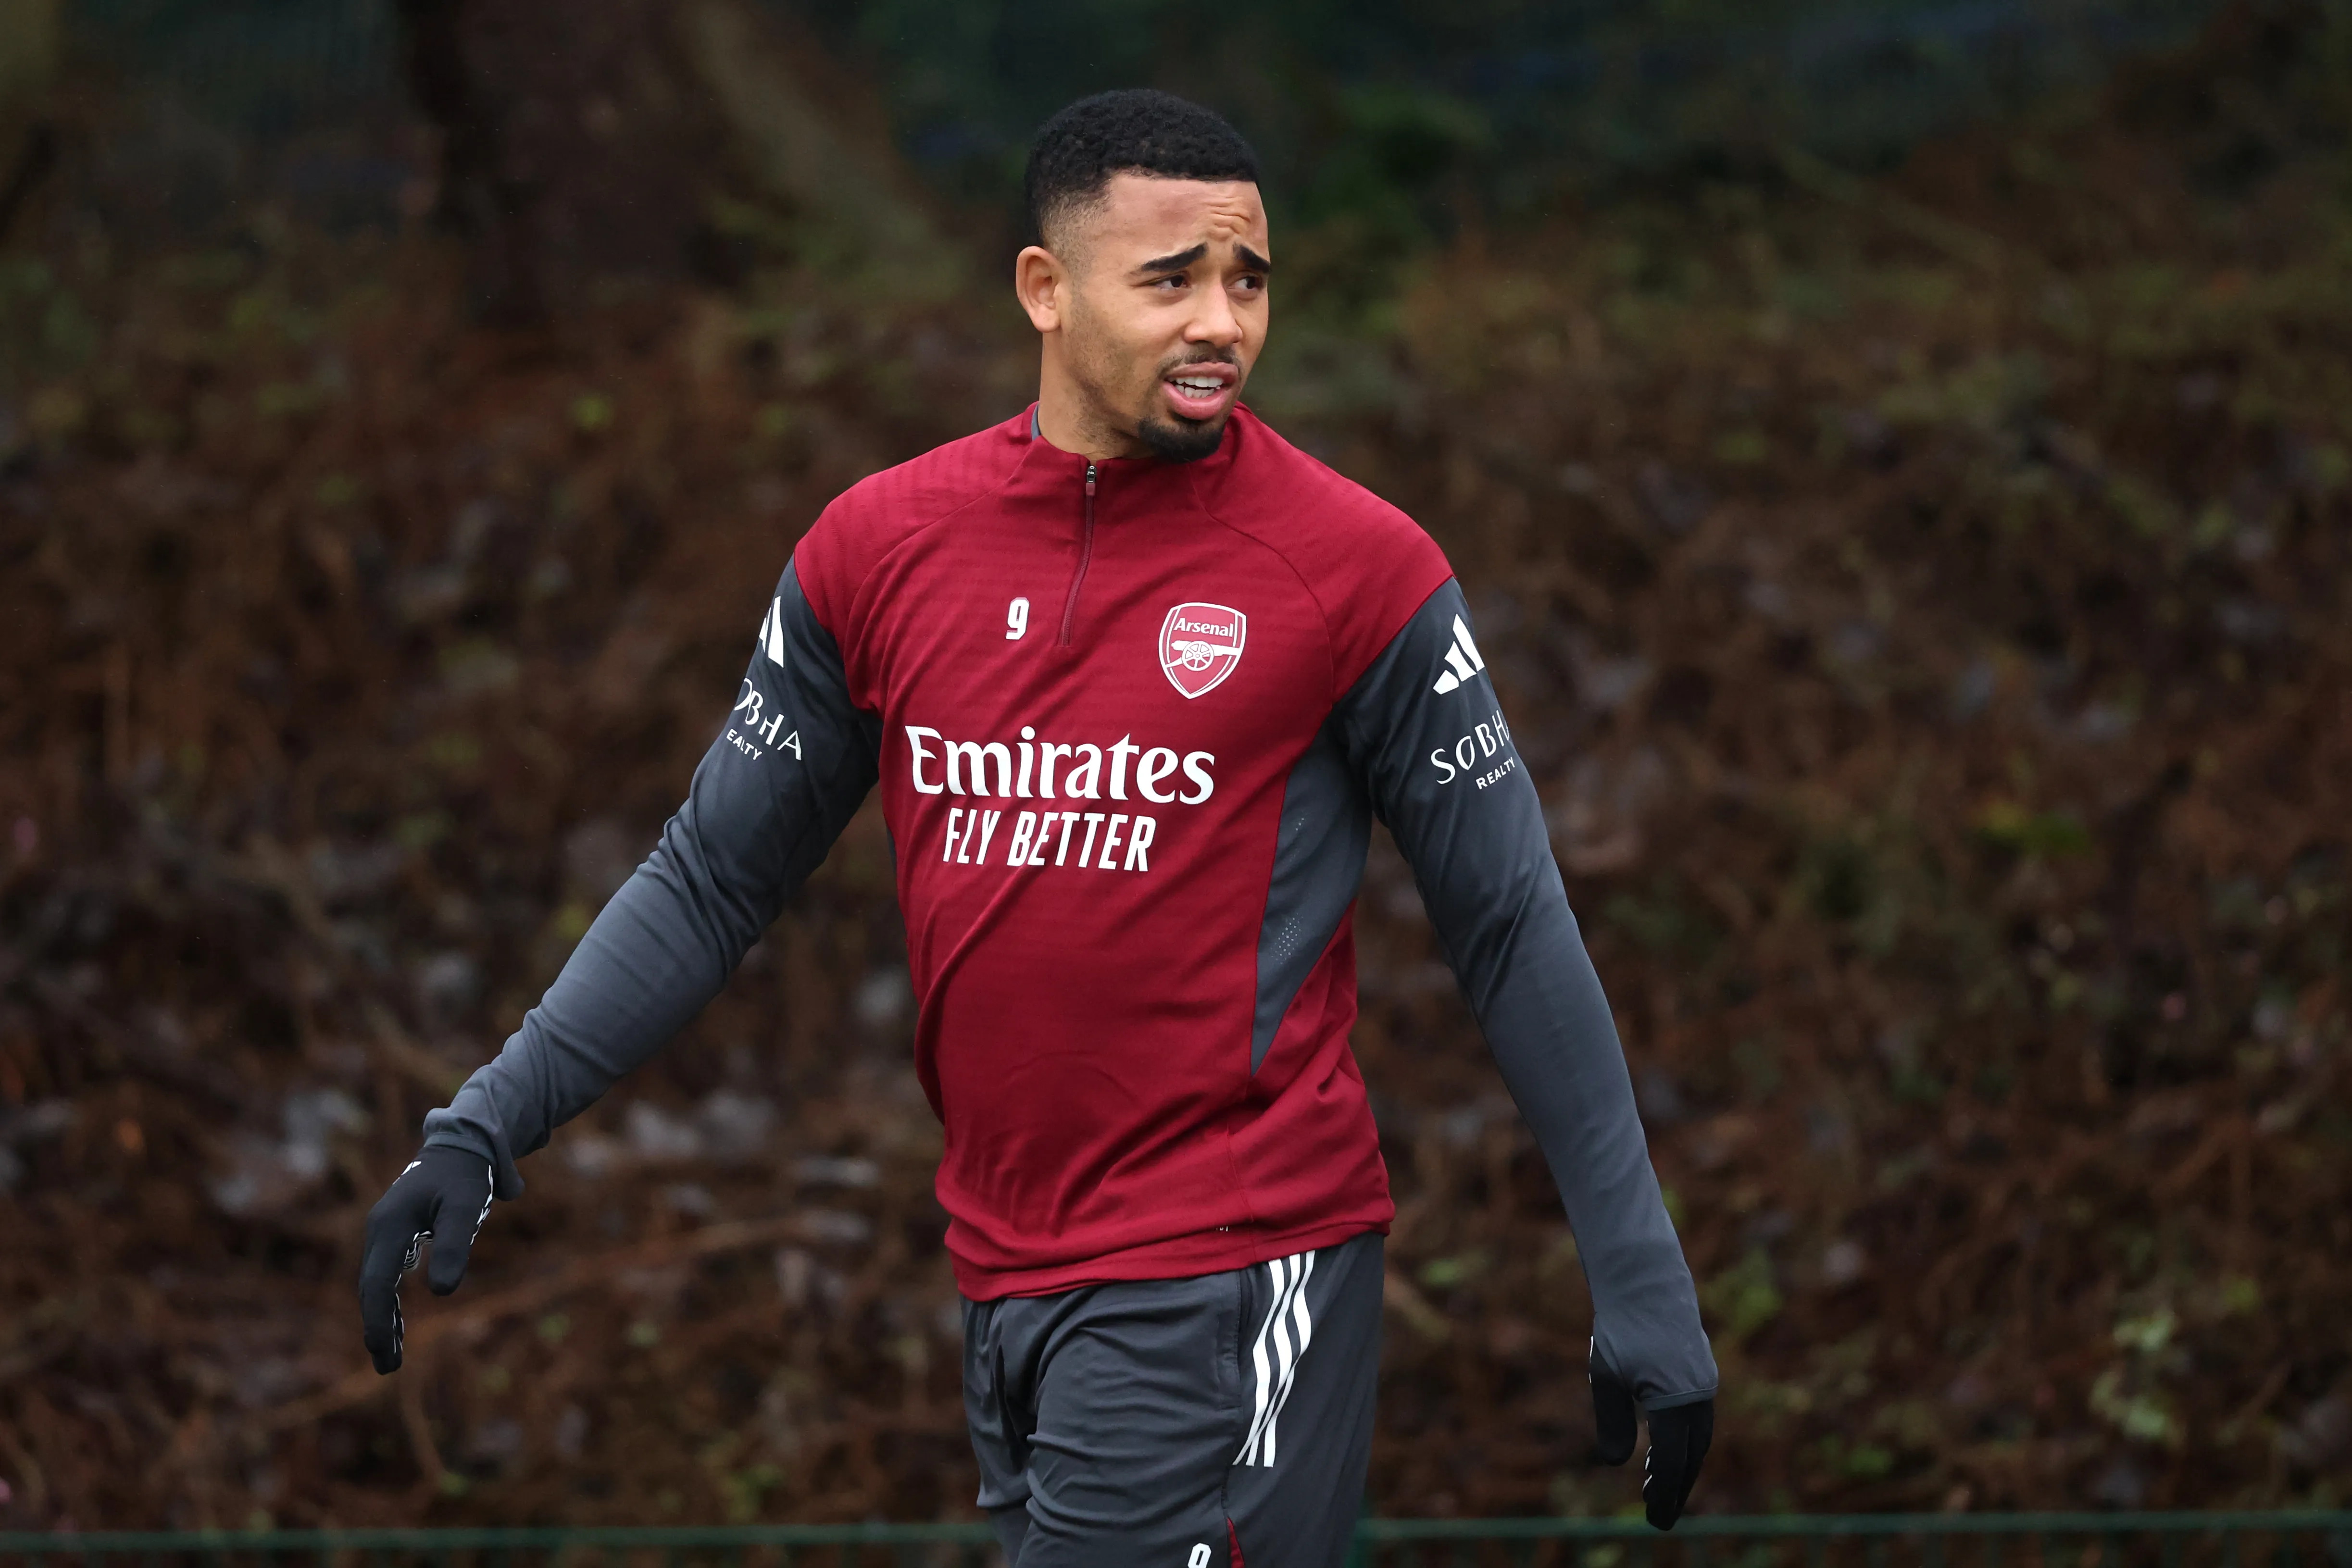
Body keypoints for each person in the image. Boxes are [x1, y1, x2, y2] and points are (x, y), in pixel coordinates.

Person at [360, 88, 1716, 1566]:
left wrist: (1637, 1270)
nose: (1221, 323)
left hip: (1228, 1269)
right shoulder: (878, 549)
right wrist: (485, 1126)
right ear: (1044, 289)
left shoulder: (1356, 570)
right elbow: (708, 876)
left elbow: (1508, 922)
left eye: (1246, 279)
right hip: (1005, 1282)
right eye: (1170, 279)